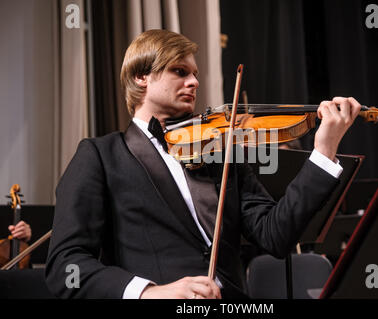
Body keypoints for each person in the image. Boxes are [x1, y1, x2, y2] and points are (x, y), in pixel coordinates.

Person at [45, 29, 361, 299]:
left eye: (195, 74)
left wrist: (323, 152)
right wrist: (151, 292)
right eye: (180, 72)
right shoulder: (100, 156)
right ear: (141, 76)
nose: (194, 82)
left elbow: (275, 235)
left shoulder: (218, 154)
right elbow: (66, 265)